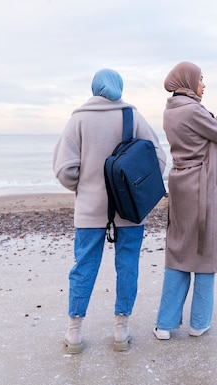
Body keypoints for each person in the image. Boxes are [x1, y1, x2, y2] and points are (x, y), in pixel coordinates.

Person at [53, 68, 166, 353]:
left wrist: (85, 186)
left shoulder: (78, 119)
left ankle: (74, 332)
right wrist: (137, 188)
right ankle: (121, 331)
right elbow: (158, 159)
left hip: (90, 208)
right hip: (129, 208)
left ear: (94, 88)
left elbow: (65, 169)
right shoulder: (132, 116)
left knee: (84, 267)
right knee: (127, 265)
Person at [153, 61, 217, 340]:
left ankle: (165, 323)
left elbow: (200, 137)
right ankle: (198, 323)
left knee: (179, 251)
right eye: (201, 79)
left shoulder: (173, 110)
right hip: (203, 190)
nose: (204, 84)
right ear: (187, 81)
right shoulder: (192, 110)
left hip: (183, 187)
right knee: (205, 254)